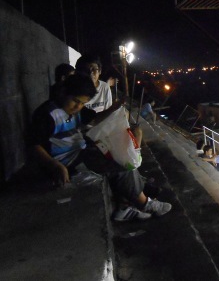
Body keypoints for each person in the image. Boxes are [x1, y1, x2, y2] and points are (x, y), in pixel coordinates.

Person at [27, 73, 171, 221]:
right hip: (68, 161)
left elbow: (94, 119)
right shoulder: (48, 114)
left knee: (119, 154)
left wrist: (114, 108)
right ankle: (144, 203)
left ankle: (129, 199)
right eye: (75, 101)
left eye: (82, 103)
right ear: (64, 92)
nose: (78, 107)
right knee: (119, 165)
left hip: (81, 150)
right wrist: (55, 165)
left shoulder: (76, 109)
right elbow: (33, 145)